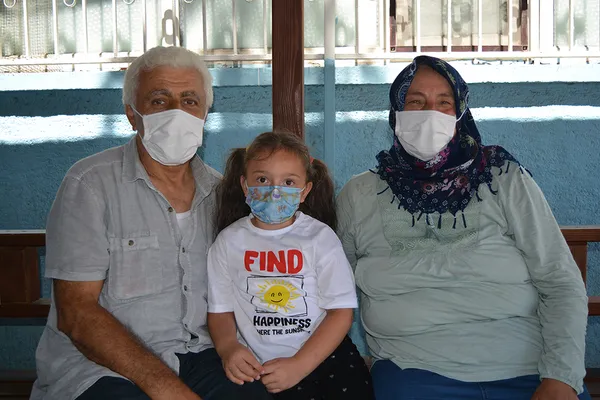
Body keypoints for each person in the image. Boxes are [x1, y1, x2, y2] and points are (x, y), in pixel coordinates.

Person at [335, 56, 591, 400]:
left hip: (529, 371)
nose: (430, 114)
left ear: (460, 113)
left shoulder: (504, 179)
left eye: (444, 102)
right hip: (412, 373)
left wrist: (561, 377)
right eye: (416, 102)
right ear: (396, 112)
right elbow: (329, 291)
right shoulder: (359, 194)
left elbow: (560, 281)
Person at [31, 46, 270, 400]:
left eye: (190, 100)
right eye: (159, 101)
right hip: (101, 366)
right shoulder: (90, 185)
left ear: (205, 112)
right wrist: (167, 390)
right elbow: (77, 314)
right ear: (132, 114)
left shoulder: (221, 193)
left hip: (201, 355)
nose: (177, 112)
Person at [206, 131, 374, 400]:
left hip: (324, 357)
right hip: (256, 366)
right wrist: (228, 348)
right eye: (263, 179)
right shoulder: (227, 242)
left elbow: (341, 312)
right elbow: (220, 310)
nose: (275, 191)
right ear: (245, 185)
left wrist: (299, 365)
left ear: (304, 191)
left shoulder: (320, 238)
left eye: (288, 182)